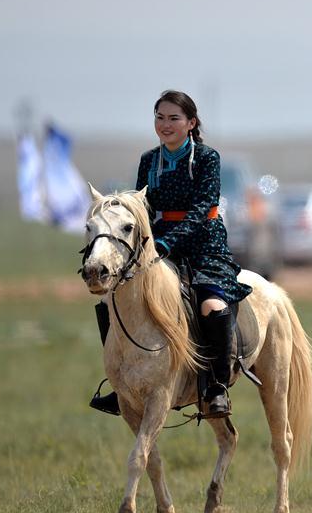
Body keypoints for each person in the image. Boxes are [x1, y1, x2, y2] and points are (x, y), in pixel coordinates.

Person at [90, 90, 251, 417]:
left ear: (190, 123)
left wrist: (167, 242)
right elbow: (141, 207)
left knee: (211, 304)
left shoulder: (208, 159)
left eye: (174, 118)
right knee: (111, 300)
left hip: (204, 244)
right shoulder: (149, 160)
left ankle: (217, 385)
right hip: (158, 245)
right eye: (160, 118)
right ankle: (119, 383)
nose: (166, 124)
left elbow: (201, 209)